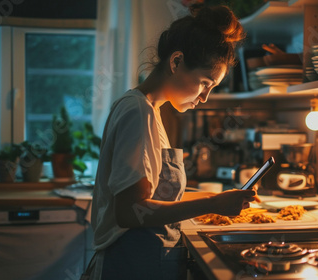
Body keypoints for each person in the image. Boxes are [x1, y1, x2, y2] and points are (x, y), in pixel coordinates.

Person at [88, 5, 255, 280]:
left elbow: (156, 199)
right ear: (176, 62)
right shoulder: (138, 111)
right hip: (129, 263)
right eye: (204, 83)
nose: (205, 98)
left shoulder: (150, 110)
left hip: (142, 260)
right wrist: (212, 202)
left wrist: (220, 199)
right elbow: (131, 212)